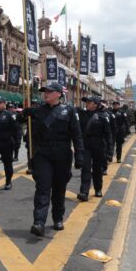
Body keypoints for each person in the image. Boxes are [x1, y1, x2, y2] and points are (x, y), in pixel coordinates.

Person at [24, 82, 83, 237]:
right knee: (42, 188)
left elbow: (76, 135)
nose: (46, 94)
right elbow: (29, 131)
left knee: (59, 188)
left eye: (49, 91)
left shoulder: (69, 111)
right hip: (43, 153)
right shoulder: (38, 111)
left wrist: (79, 155)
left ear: (58, 94)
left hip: (62, 153)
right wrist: (23, 113)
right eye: (45, 91)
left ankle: (58, 218)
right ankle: (39, 222)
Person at [77, 96, 112, 201]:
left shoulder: (103, 116)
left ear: (95, 104)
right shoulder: (81, 114)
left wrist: (110, 151)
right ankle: (84, 192)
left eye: (89, 102)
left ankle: (98, 189)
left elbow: (108, 134)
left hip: (99, 146)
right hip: (86, 146)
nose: (86, 103)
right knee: (86, 168)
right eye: (86, 102)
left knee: (97, 169)